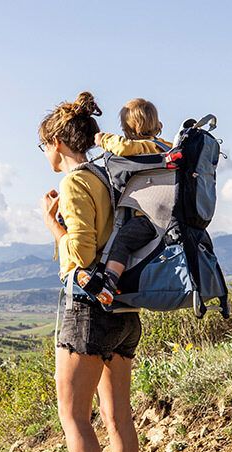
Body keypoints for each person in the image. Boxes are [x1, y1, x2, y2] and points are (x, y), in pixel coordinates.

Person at [39, 91, 142, 452]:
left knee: (73, 416)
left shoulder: (77, 182)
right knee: (118, 415)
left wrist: (53, 227)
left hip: (87, 311)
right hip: (123, 310)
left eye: (44, 146)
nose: (46, 155)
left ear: (59, 142)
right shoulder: (106, 175)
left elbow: (80, 252)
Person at [75, 98, 174, 308]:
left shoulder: (142, 147)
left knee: (123, 241)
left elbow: (122, 147)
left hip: (147, 218)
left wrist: (102, 139)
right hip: (170, 216)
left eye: (124, 128)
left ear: (131, 129)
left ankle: (109, 284)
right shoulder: (168, 147)